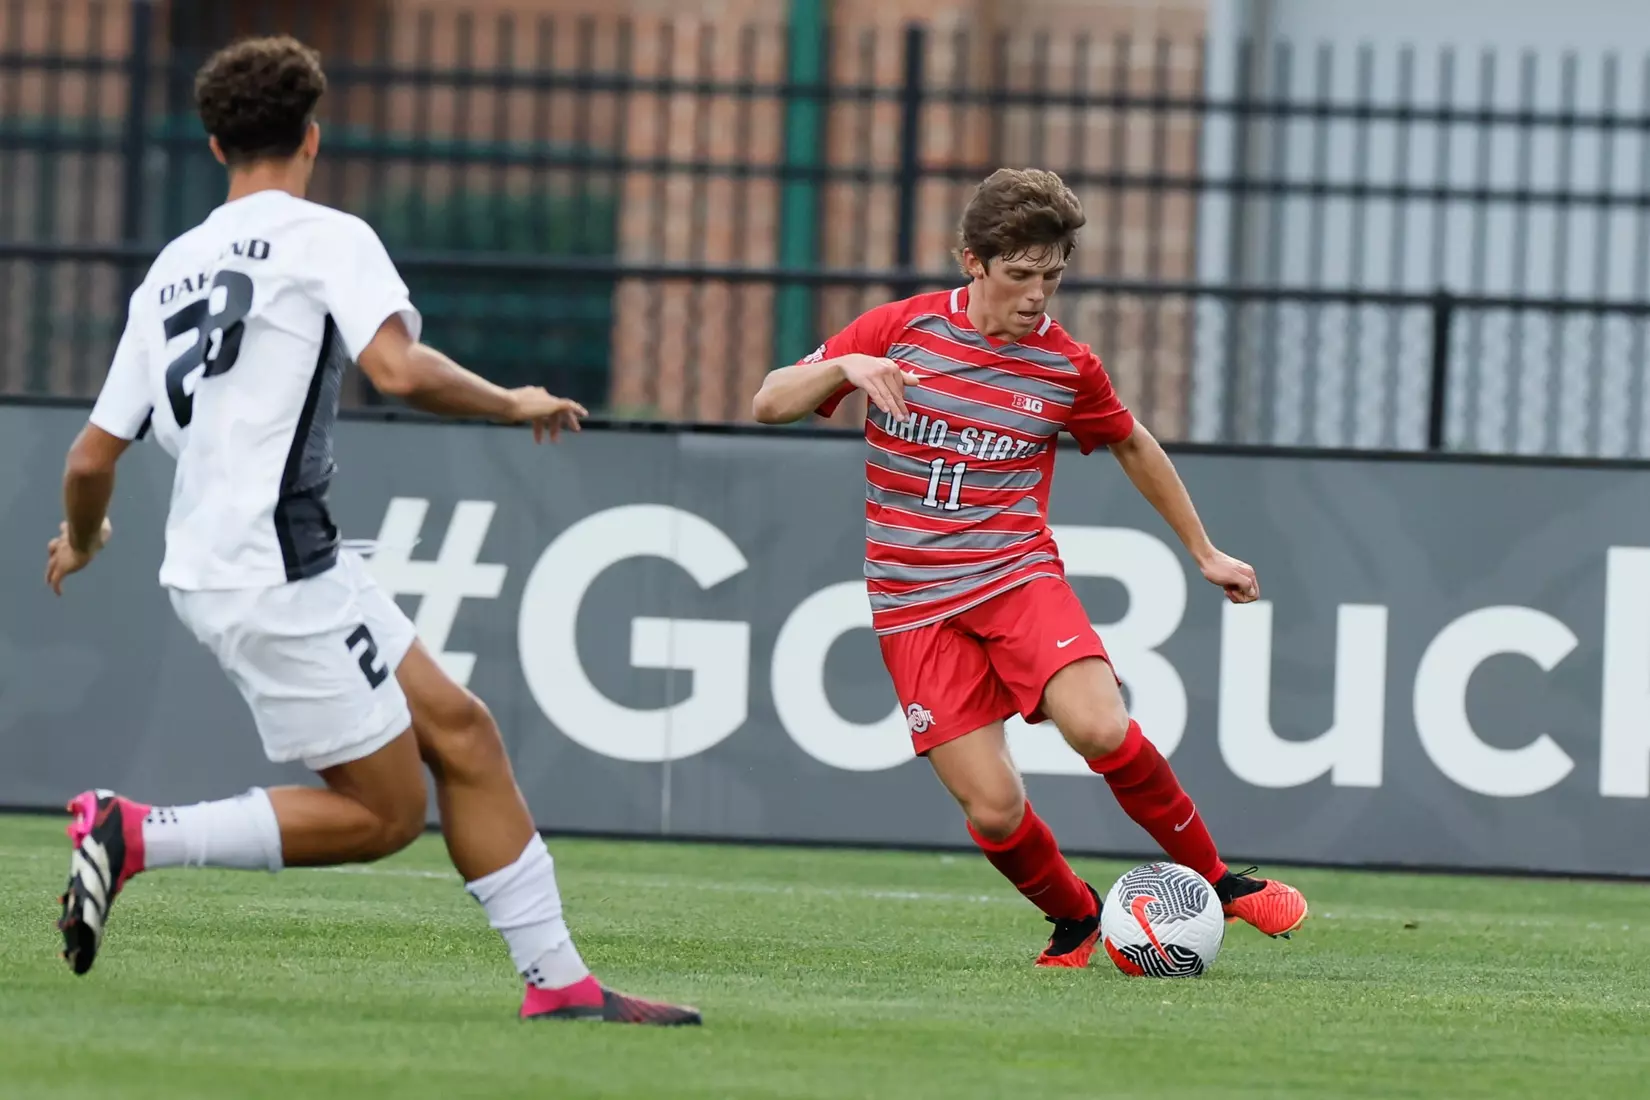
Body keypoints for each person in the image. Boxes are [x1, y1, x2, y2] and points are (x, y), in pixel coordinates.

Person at [46, 35, 700, 1026]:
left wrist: (85, 538)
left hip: (260, 560)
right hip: (271, 568)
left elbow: (92, 458)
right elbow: (398, 368)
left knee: (462, 730)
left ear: (215, 146)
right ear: (313, 137)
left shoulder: (171, 269)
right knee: (384, 813)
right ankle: (135, 831)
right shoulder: (327, 237)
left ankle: (561, 981)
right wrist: (511, 399)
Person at [751, 168, 1308, 967]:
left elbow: (1130, 441)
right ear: (972, 262)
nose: (1038, 295)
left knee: (1100, 724)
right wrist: (842, 370)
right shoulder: (898, 330)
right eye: (1020, 275)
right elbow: (770, 401)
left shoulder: (1064, 367)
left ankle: (1215, 879)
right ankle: (1079, 917)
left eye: (1051, 276)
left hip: (1015, 578)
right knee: (995, 809)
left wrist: (1205, 551)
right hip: (913, 607)